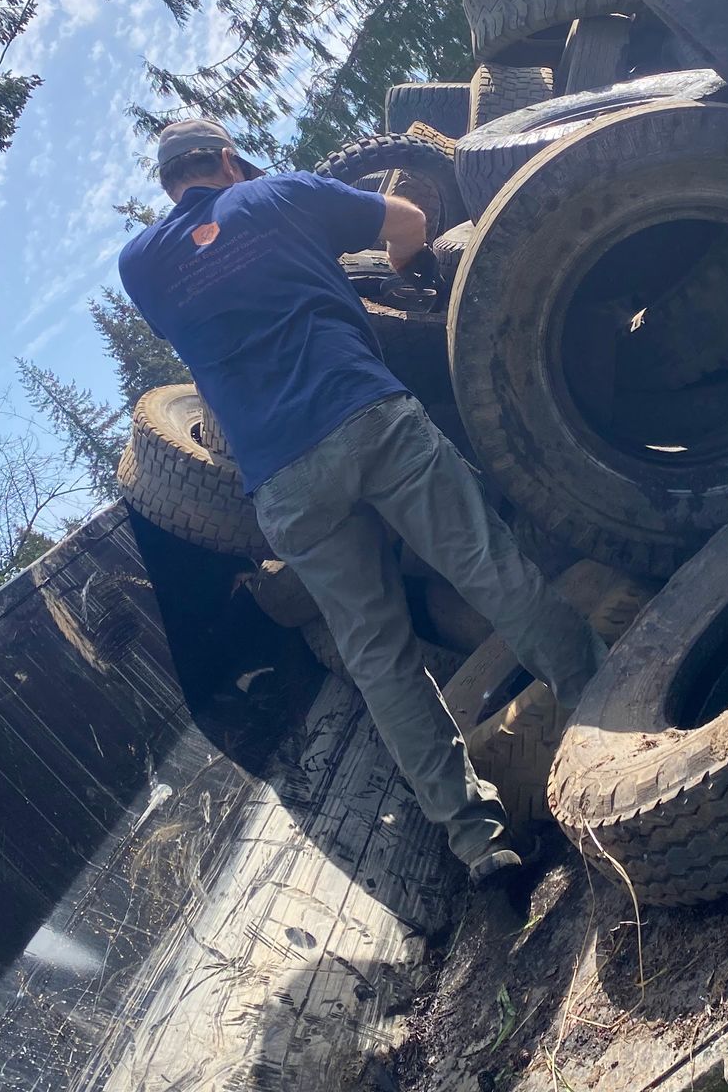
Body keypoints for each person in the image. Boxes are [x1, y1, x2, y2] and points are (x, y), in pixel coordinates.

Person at [117, 118, 607, 884]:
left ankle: (479, 844)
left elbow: (217, 301)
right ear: (223, 160)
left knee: (379, 659)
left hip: (281, 479)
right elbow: (409, 225)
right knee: (484, 566)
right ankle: (607, 712)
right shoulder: (281, 194)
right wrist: (403, 263)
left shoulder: (139, 264)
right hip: (365, 414)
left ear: (169, 184)